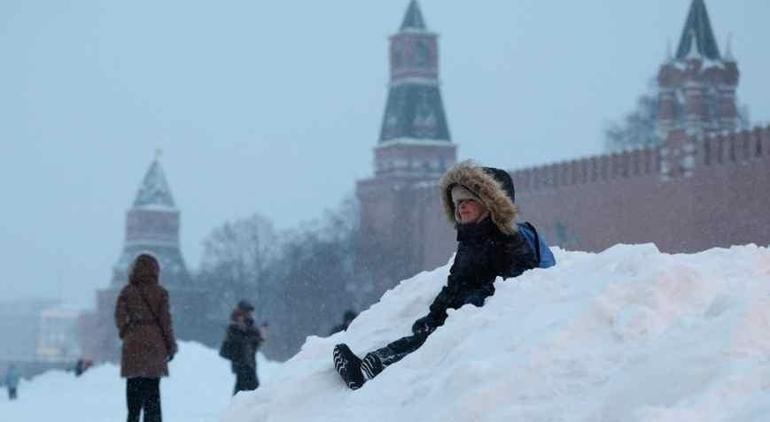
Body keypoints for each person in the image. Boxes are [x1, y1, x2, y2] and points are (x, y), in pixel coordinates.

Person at [333, 161, 539, 390]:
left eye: (468, 200)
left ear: (490, 204)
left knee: (428, 347)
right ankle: (367, 367)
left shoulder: (509, 241)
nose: (461, 207)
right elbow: (454, 286)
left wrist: (471, 305)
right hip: (458, 316)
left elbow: (513, 284)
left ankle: (375, 369)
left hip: (479, 322)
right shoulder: (470, 244)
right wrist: (435, 315)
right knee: (422, 337)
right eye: (457, 203)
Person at [115, 254, 177, 422]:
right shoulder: (160, 293)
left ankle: (133, 418)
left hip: (133, 346)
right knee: (152, 396)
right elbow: (166, 322)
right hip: (154, 346)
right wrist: (171, 346)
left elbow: (119, 316)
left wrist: (126, 331)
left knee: (133, 394)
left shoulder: (127, 292)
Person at [220, 300, 264, 395]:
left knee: (253, 392)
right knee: (247, 392)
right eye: (247, 312)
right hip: (241, 365)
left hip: (250, 364)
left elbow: (255, 344)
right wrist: (241, 333)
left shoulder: (251, 326)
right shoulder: (233, 327)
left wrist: (257, 338)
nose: (249, 314)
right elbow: (226, 349)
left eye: (250, 312)